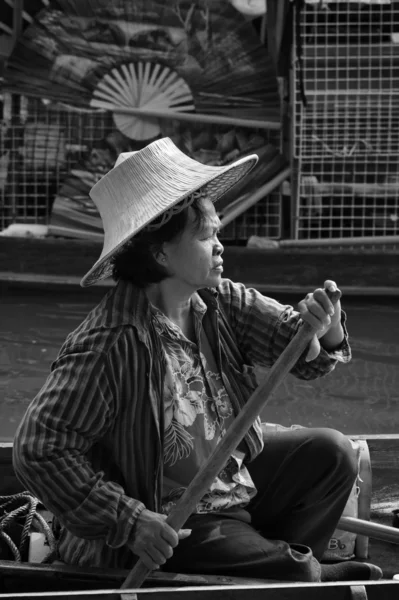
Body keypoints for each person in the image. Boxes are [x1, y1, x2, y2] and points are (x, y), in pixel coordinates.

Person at [13, 137, 382, 583]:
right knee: (299, 577)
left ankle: (282, 567)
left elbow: (300, 351)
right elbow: (38, 449)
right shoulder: (111, 342)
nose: (221, 246)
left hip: (231, 484)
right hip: (174, 520)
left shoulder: (219, 300)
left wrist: (327, 323)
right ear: (160, 252)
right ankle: (292, 573)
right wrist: (130, 521)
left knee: (332, 452)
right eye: (207, 236)